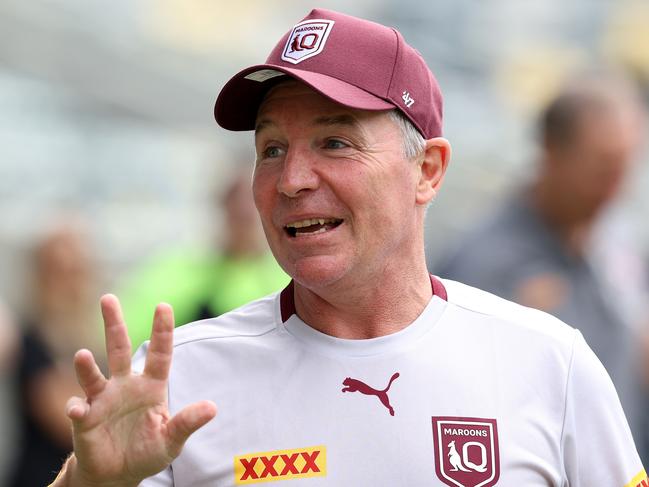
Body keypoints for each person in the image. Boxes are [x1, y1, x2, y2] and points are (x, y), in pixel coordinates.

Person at [51, 9, 647, 486]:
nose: (292, 180)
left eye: (335, 141)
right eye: (272, 149)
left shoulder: (550, 364)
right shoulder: (179, 383)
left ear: (428, 171)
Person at [434, 75, 649, 462]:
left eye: (625, 164)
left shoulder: (617, 237)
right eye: (602, 167)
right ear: (551, 149)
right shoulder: (483, 262)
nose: (617, 186)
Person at [119, 168, 289, 349]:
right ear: (223, 209)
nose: (244, 221)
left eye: (250, 213)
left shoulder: (287, 275)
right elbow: (135, 335)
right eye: (238, 212)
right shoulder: (174, 270)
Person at [10, 222, 105, 486]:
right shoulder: (31, 340)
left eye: (77, 272)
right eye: (59, 273)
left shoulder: (97, 341)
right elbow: (66, 421)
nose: (70, 286)